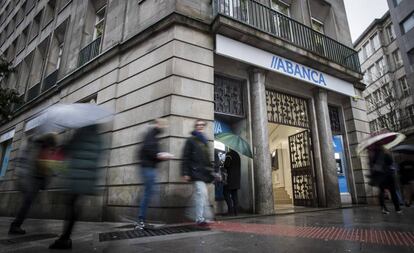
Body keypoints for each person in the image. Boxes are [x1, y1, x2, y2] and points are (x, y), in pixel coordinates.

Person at [49, 124, 102, 249]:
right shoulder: (98, 137)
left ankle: (65, 238)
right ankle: (66, 237)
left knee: (70, 204)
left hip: (76, 175)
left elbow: (68, 150)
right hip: (88, 177)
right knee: (74, 204)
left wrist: (62, 146)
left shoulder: (80, 133)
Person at [9, 133, 57, 235]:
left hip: (34, 179)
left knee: (28, 203)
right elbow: (40, 164)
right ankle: (16, 225)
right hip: (32, 179)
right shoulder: (38, 147)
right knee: (27, 202)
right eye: (51, 146)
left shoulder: (36, 146)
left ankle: (19, 224)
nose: (52, 148)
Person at [137, 118, 171, 229]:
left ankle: (144, 218)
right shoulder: (151, 135)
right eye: (163, 125)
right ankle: (142, 219)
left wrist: (160, 156)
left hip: (149, 167)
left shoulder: (153, 136)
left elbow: (149, 150)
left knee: (151, 192)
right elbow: (148, 150)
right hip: (148, 168)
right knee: (150, 193)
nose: (164, 127)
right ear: (157, 124)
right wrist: (160, 155)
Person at [182, 119, 214, 225]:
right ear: (195, 126)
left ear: (204, 127)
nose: (200, 126)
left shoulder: (205, 141)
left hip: (203, 173)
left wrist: (211, 171)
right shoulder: (191, 140)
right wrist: (185, 172)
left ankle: (193, 214)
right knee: (201, 193)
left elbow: (207, 159)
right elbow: (185, 157)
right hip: (195, 172)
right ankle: (199, 218)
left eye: (202, 125)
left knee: (199, 194)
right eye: (198, 125)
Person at [368, 145, 401, 214]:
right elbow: (391, 164)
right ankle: (397, 208)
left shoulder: (373, 156)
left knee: (382, 192)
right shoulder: (386, 154)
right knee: (393, 192)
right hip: (389, 175)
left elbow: (372, 166)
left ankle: (383, 208)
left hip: (381, 176)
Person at [223, 149, 241, 216]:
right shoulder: (238, 155)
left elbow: (226, 165)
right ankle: (236, 211)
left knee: (226, 193)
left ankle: (230, 211)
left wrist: (223, 163)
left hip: (230, 178)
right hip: (236, 179)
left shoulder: (229, 154)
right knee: (234, 195)